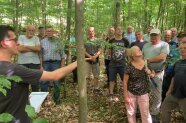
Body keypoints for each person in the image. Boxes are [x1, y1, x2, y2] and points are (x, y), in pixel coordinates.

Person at [0, 25, 77, 123]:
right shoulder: (15, 70)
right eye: (14, 39)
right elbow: (54, 76)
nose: (17, 42)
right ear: (4, 44)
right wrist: (78, 62)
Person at [142, 29, 169, 123]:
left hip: (157, 74)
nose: (153, 37)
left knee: (157, 95)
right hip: (145, 72)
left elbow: (162, 57)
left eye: (155, 35)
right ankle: (143, 110)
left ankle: (154, 114)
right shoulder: (146, 45)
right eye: (152, 36)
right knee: (143, 93)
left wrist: (148, 60)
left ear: (159, 36)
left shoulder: (164, 44)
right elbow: (141, 57)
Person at [123, 46, 154, 123]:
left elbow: (153, 74)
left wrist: (149, 72)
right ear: (132, 55)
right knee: (131, 113)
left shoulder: (146, 62)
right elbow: (124, 82)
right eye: (137, 50)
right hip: (131, 93)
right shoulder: (129, 66)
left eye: (140, 50)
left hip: (143, 93)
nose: (140, 51)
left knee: (145, 114)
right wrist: (126, 96)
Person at [161, 33, 186, 123]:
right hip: (174, 94)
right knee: (164, 108)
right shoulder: (178, 63)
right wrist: (169, 90)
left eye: (185, 48)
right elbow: (174, 77)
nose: (182, 50)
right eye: (181, 49)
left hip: (184, 97)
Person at [40, 26, 65, 104]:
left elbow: (63, 55)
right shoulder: (42, 41)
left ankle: (56, 99)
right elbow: (40, 55)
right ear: (45, 32)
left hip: (56, 63)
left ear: (53, 32)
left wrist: (62, 67)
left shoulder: (59, 41)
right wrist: (41, 66)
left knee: (56, 82)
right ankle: (44, 99)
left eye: (50, 31)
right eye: (47, 31)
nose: (49, 33)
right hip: (46, 63)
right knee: (44, 82)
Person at [17, 25, 41, 92]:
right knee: (22, 83)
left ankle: (36, 101)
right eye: (29, 30)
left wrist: (25, 46)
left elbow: (38, 49)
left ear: (34, 31)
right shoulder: (21, 37)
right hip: (22, 63)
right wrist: (33, 49)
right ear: (26, 30)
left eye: (32, 30)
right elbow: (20, 49)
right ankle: (23, 101)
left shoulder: (36, 38)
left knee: (35, 83)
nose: (31, 32)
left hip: (34, 63)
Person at [109, 26, 129, 100]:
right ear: (115, 31)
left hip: (122, 64)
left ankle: (126, 94)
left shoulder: (125, 41)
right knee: (111, 79)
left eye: (121, 29)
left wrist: (126, 60)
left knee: (124, 79)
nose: (120, 30)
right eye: (118, 29)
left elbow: (127, 52)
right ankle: (111, 94)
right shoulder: (111, 41)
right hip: (113, 63)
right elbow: (110, 52)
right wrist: (114, 58)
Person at [162, 30, 180, 102]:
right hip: (160, 69)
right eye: (166, 35)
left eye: (168, 35)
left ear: (171, 36)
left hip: (169, 69)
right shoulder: (161, 43)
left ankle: (166, 101)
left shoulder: (175, 45)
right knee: (161, 87)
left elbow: (175, 58)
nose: (167, 36)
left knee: (167, 86)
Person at [85, 27, 101, 94]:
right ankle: (85, 89)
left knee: (96, 75)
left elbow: (100, 50)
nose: (91, 32)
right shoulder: (85, 40)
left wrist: (95, 57)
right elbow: (83, 51)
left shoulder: (97, 40)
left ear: (94, 32)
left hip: (96, 60)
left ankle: (96, 88)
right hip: (87, 60)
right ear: (88, 32)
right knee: (86, 76)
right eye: (89, 31)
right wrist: (90, 57)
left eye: (92, 31)